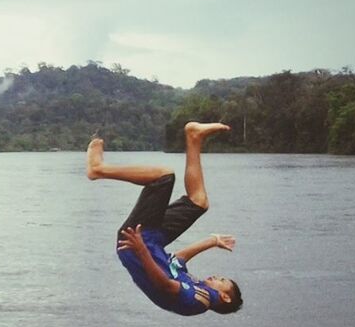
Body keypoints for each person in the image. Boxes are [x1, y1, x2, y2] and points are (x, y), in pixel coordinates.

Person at [86, 121, 243, 316]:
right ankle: (194, 137)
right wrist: (212, 241)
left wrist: (141, 250)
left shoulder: (199, 301)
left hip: (135, 244)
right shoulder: (194, 284)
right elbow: (178, 259)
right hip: (152, 242)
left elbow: (165, 285)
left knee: (164, 177)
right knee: (198, 202)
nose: (216, 277)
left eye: (221, 280)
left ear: (225, 297)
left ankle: (98, 169)